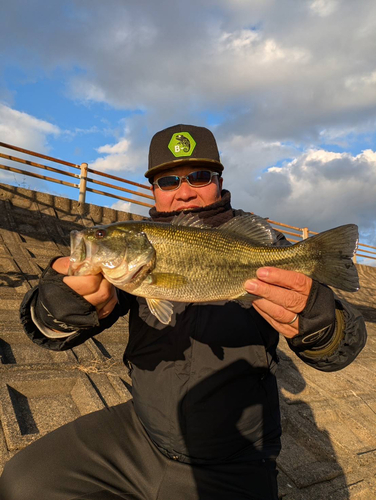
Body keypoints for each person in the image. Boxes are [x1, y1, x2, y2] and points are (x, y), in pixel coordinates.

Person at [0, 124, 367, 500]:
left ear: (220, 180)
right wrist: (63, 304)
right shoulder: (137, 253)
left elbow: (344, 343)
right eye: (168, 182)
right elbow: (45, 330)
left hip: (235, 454)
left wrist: (319, 320)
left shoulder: (264, 242)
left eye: (199, 176)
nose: (185, 192)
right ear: (153, 191)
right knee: (24, 481)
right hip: (141, 434)